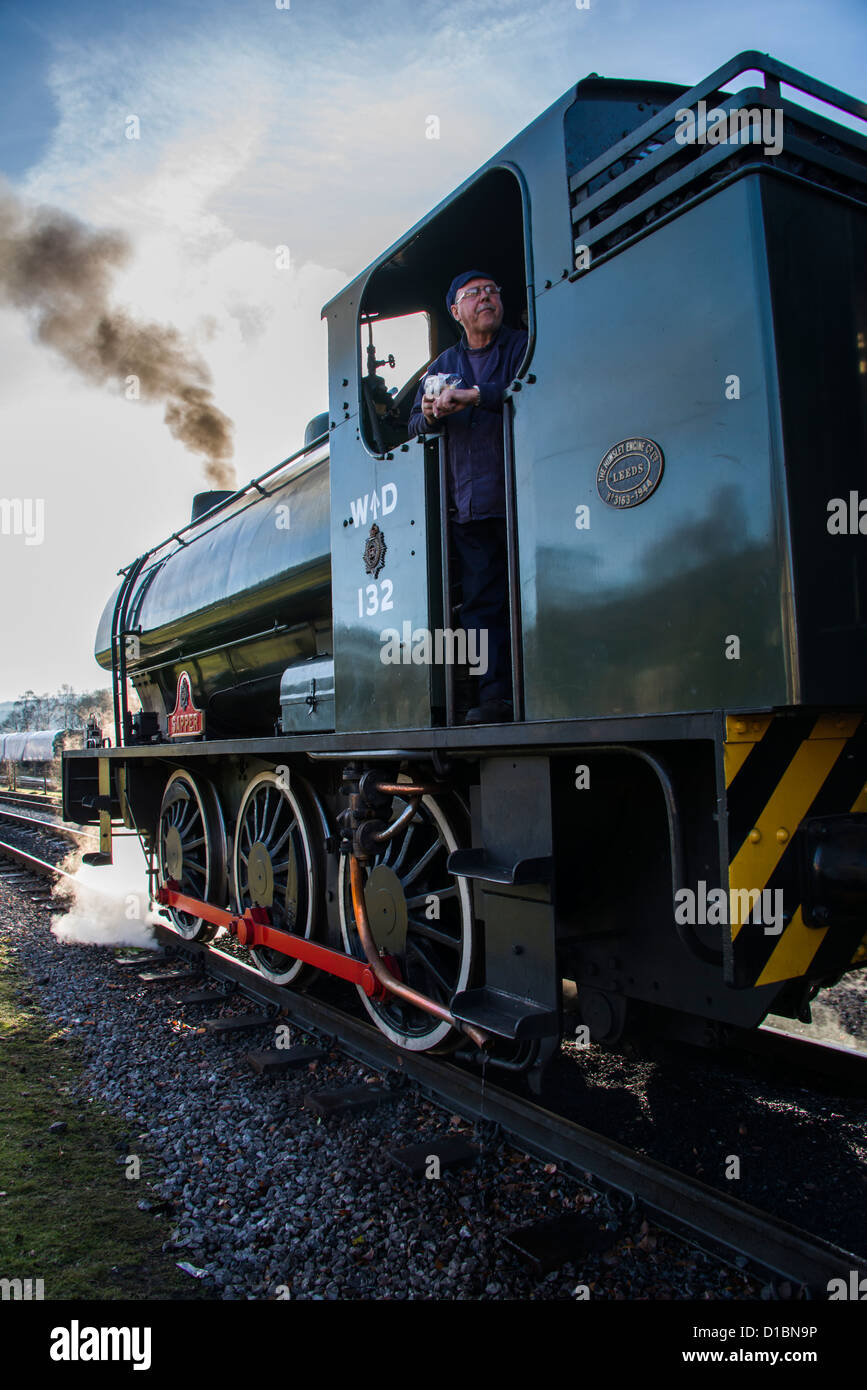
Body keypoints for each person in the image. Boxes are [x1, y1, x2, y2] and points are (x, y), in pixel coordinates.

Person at [407, 271, 527, 724]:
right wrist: (429, 412)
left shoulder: (520, 347)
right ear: (456, 312)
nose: (486, 298)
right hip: (470, 505)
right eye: (474, 294)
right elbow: (417, 428)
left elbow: (531, 386)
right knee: (480, 604)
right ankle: (493, 695)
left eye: (493, 290)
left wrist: (476, 396)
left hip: (521, 493)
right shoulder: (441, 366)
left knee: (525, 591)